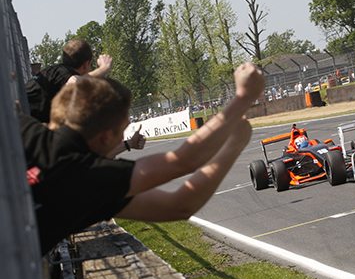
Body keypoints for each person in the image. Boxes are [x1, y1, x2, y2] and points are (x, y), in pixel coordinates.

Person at [20, 62, 264, 255]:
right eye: (121, 131)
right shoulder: (90, 178)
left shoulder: (20, 128)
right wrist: (242, 102)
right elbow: (183, 177)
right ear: (105, 137)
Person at [25, 39, 113, 123]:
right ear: (86, 64)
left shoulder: (53, 72)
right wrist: (103, 69)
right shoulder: (64, 74)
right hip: (26, 123)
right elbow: (74, 83)